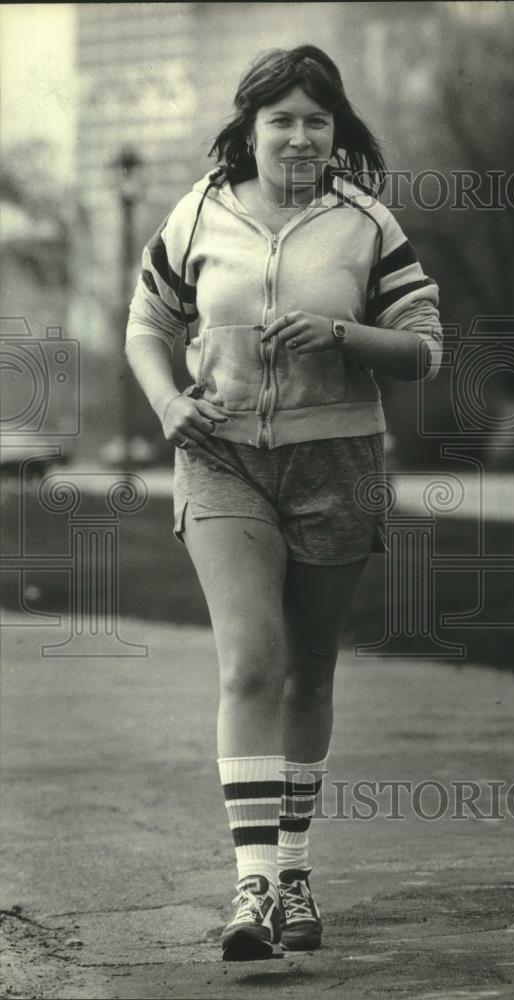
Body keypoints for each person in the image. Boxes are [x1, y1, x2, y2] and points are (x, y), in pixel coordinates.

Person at [125, 44, 442, 962]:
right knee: (251, 661)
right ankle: (252, 886)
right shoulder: (199, 213)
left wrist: (345, 333)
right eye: (281, 121)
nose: (299, 137)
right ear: (249, 129)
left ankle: (296, 873)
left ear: (336, 132)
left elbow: (426, 349)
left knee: (309, 670)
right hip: (222, 460)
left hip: (334, 466)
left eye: (316, 120)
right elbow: (147, 324)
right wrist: (168, 403)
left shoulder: (366, 224)